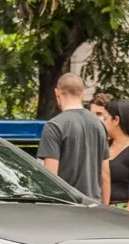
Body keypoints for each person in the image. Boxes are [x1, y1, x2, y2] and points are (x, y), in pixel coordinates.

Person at [37, 73, 111, 203]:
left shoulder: (54, 126)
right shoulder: (99, 125)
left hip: (66, 209)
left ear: (57, 93)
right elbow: (105, 174)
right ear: (82, 94)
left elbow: (50, 178)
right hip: (95, 209)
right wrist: (105, 208)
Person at [90, 97, 129, 214]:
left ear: (116, 120)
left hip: (124, 213)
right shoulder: (104, 147)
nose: (102, 122)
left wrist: (127, 215)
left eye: (105, 118)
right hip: (100, 211)